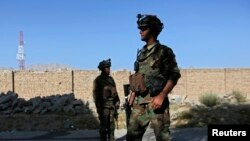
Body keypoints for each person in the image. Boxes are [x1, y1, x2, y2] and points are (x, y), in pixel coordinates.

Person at [126, 14, 181, 141]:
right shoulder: (141, 53)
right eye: (140, 28)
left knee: (162, 137)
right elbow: (139, 75)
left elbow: (174, 74)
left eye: (144, 28)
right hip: (139, 102)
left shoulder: (164, 51)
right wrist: (133, 92)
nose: (140, 31)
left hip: (156, 102)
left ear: (152, 30)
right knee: (132, 137)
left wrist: (162, 95)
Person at [93, 59, 120, 141]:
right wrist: (98, 107)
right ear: (102, 69)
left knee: (111, 127)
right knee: (103, 128)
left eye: (109, 67)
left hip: (112, 106)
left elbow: (115, 91)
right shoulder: (98, 80)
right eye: (106, 68)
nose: (108, 70)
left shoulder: (111, 79)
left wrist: (117, 101)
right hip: (103, 107)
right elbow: (95, 94)